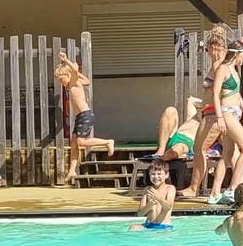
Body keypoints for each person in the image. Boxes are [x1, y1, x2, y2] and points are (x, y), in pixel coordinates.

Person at [200, 29, 243, 200]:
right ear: (237, 54)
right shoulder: (223, 68)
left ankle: (215, 193)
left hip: (235, 112)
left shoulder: (234, 71)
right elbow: (216, 94)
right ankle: (233, 189)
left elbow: (236, 95)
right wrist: (220, 118)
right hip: (226, 113)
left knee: (227, 154)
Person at [55, 52, 116, 185]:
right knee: (73, 144)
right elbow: (87, 81)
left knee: (81, 142)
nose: (60, 82)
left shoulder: (74, 82)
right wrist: (75, 72)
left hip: (85, 115)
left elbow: (75, 70)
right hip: (80, 117)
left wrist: (66, 61)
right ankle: (72, 170)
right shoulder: (75, 83)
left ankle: (107, 142)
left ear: (68, 75)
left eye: (61, 79)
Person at [130, 163, 177, 231]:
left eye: (159, 174)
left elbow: (168, 206)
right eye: (152, 174)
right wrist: (149, 206)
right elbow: (140, 213)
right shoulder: (147, 189)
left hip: (163, 226)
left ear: (166, 175)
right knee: (133, 227)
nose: (155, 176)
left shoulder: (170, 188)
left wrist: (157, 197)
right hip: (148, 225)